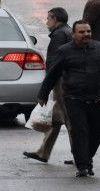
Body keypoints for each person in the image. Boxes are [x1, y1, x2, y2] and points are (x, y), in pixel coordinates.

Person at [38, 21, 100, 177]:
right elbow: (53, 73)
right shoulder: (65, 51)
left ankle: (86, 157)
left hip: (97, 98)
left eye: (88, 31)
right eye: (81, 32)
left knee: (98, 132)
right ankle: (83, 165)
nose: (86, 34)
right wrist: (43, 93)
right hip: (75, 98)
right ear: (73, 35)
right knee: (79, 132)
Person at [24, 8, 73, 163]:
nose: (46, 22)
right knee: (56, 118)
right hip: (67, 79)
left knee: (68, 119)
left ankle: (79, 154)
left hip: (61, 82)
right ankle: (43, 152)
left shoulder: (59, 35)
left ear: (55, 19)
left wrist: (44, 90)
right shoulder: (68, 31)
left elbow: (54, 64)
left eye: (48, 19)